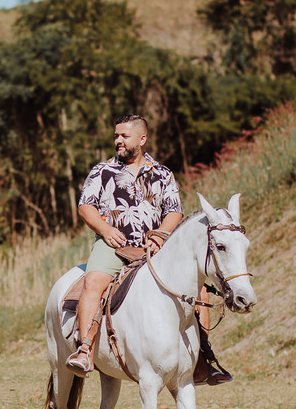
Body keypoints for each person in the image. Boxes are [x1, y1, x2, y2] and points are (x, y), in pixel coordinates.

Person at [65, 114, 232, 385]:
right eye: (116, 135)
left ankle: (203, 357)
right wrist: (106, 231)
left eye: (124, 136)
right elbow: (85, 207)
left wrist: (162, 234)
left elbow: (174, 211)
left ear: (142, 140)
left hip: (155, 248)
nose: (118, 140)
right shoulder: (102, 171)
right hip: (114, 245)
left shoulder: (163, 174)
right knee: (94, 282)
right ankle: (85, 349)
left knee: (199, 290)